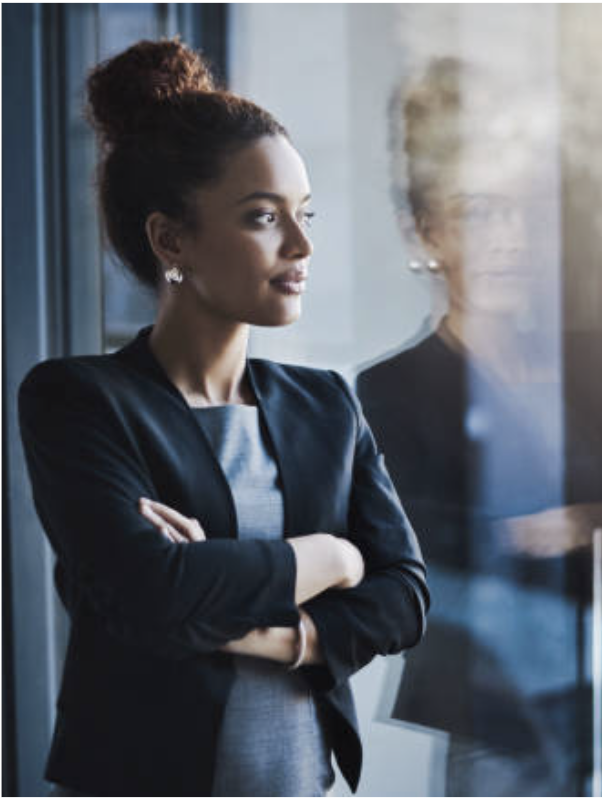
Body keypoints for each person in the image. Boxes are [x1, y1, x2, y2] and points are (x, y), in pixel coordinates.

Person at [17, 37, 428, 797]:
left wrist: (275, 633)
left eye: (304, 214)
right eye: (264, 217)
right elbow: (151, 593)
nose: (302, 245)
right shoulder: (78, 399)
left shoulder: (326, 404)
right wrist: (332, 558)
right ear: (172, 240)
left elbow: (403, 594)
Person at [356, 57, 602, 796]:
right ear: (426, 232)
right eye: (478, 211)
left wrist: (573, 522)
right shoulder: (391, 390)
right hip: (503, 721)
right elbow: (434, 555)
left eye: (524, 211)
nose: (510, 237)